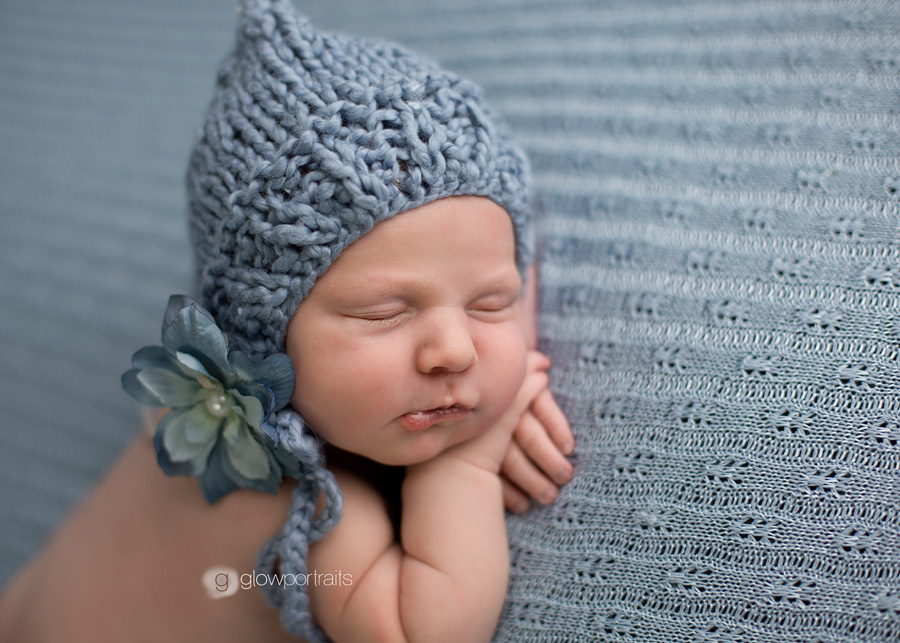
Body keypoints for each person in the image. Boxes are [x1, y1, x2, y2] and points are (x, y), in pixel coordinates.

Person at [0, 1, 572, 641]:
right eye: (384, 312)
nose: (455, 350)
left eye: (491, 304)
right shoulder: (297, 501)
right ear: (259, 336)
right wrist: (465, 463)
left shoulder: (180, 413)